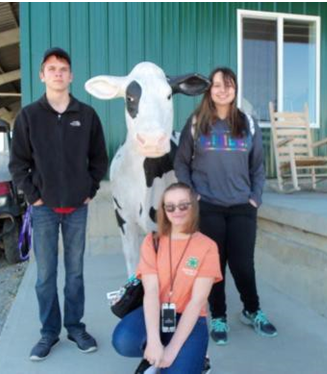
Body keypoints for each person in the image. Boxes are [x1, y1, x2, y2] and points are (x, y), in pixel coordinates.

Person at [9, 47, 108, 360]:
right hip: (44, 209)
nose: (57, 73)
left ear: (71, 76)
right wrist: (33, 196)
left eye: (63, 68)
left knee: (75, 274)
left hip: (78, 207)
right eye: (51, 69)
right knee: (45, 276)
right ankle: (49, 333)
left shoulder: (87, 115)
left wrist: (90, 187)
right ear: (42, 75)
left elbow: (99, 159)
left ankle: (76, 327)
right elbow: (18, 165)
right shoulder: (28, 117)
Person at [174, 67, 277, 346]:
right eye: (217, 85)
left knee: (243, 264)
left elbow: (258, 166)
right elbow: (181, 162)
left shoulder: (248, 123)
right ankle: (217, 314)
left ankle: (251, 309)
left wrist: (255, 197)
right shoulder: (196, 122)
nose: (222, 90)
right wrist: (192, 195)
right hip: (208, 206)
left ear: (235, 89)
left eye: (228, 85)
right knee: (213, 265)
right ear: (209, 89)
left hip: (242, 205)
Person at [112, 182, 222, 374]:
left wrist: (172, 350)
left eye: (183, 205)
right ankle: (153, 356)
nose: (176, 211)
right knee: (123, 340)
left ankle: (198, 359)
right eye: (170, 206)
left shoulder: (207, 246)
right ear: (164, 210)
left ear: (193, 206)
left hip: (191, 317)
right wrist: (153, 341)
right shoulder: (152, 242)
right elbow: (152, 292)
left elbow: (197, 302)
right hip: (158, 311)